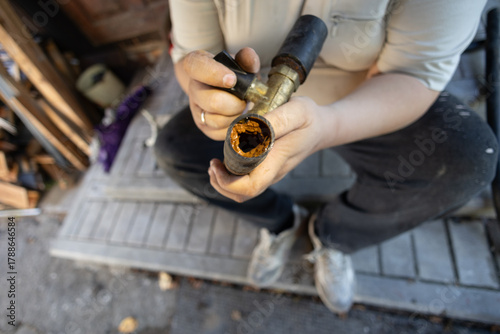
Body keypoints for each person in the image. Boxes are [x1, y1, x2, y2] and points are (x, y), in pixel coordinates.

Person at [154, 0, 498, 313]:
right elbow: (193, 58)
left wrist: (328, 126)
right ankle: (280, 222)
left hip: (363, 100)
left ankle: (334, 235)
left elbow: (414, 73)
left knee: (466, 159)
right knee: (175, 150)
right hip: (250, 108)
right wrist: (206, 101)